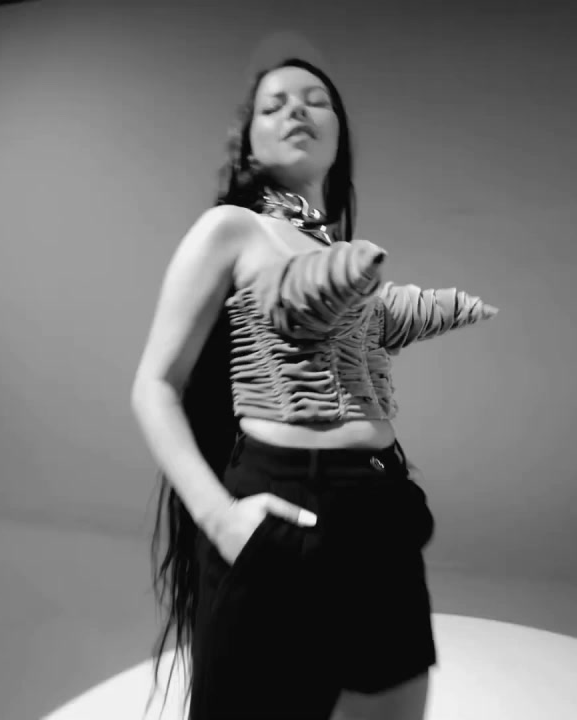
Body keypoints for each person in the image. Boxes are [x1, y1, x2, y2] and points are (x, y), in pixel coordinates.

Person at [131, 57, 497, 720]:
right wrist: (219, 518)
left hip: (381, 509)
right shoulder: (232, 229)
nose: (296, 110)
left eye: (314, 99)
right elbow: (154, 385)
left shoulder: (342, 255)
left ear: (338, 134)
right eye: (273, 105)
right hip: (284, 506)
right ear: (249, 143)